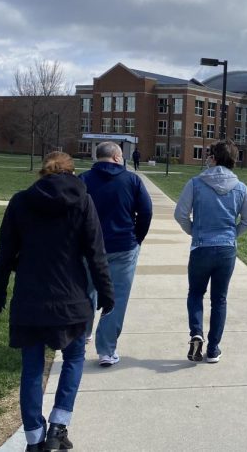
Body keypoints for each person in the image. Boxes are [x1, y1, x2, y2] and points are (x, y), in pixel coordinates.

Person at [0, 152, 114, 452]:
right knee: (73, 359)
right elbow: (96, 252)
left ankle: (34, 438)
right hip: (71, 299)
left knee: (31, 369)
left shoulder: (21, 201)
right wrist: (107, 292)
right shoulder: (83, 201)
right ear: (72, 172)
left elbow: (5, 253)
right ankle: (58, 428)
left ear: (43, 172)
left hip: (30, 300)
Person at [174, 139, 247, 363]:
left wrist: (194, 232)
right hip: (226, 249)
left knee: (195, 293)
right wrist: (232, 235)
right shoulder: (241, 188)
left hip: (201, 246)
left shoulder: (196, 183)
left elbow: (180, 214)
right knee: (219, 299)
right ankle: (213, 348)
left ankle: (196, 332)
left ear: (214, 158)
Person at [81, 141, 153, 367]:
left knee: (86, 291)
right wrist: (136, 238)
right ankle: (106, 350)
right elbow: (146, 211)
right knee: (117, 298)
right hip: (123, 246)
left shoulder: (83, 180)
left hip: (89, 247)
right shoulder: (132, 180)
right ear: (116, 157)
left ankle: (83, 333)